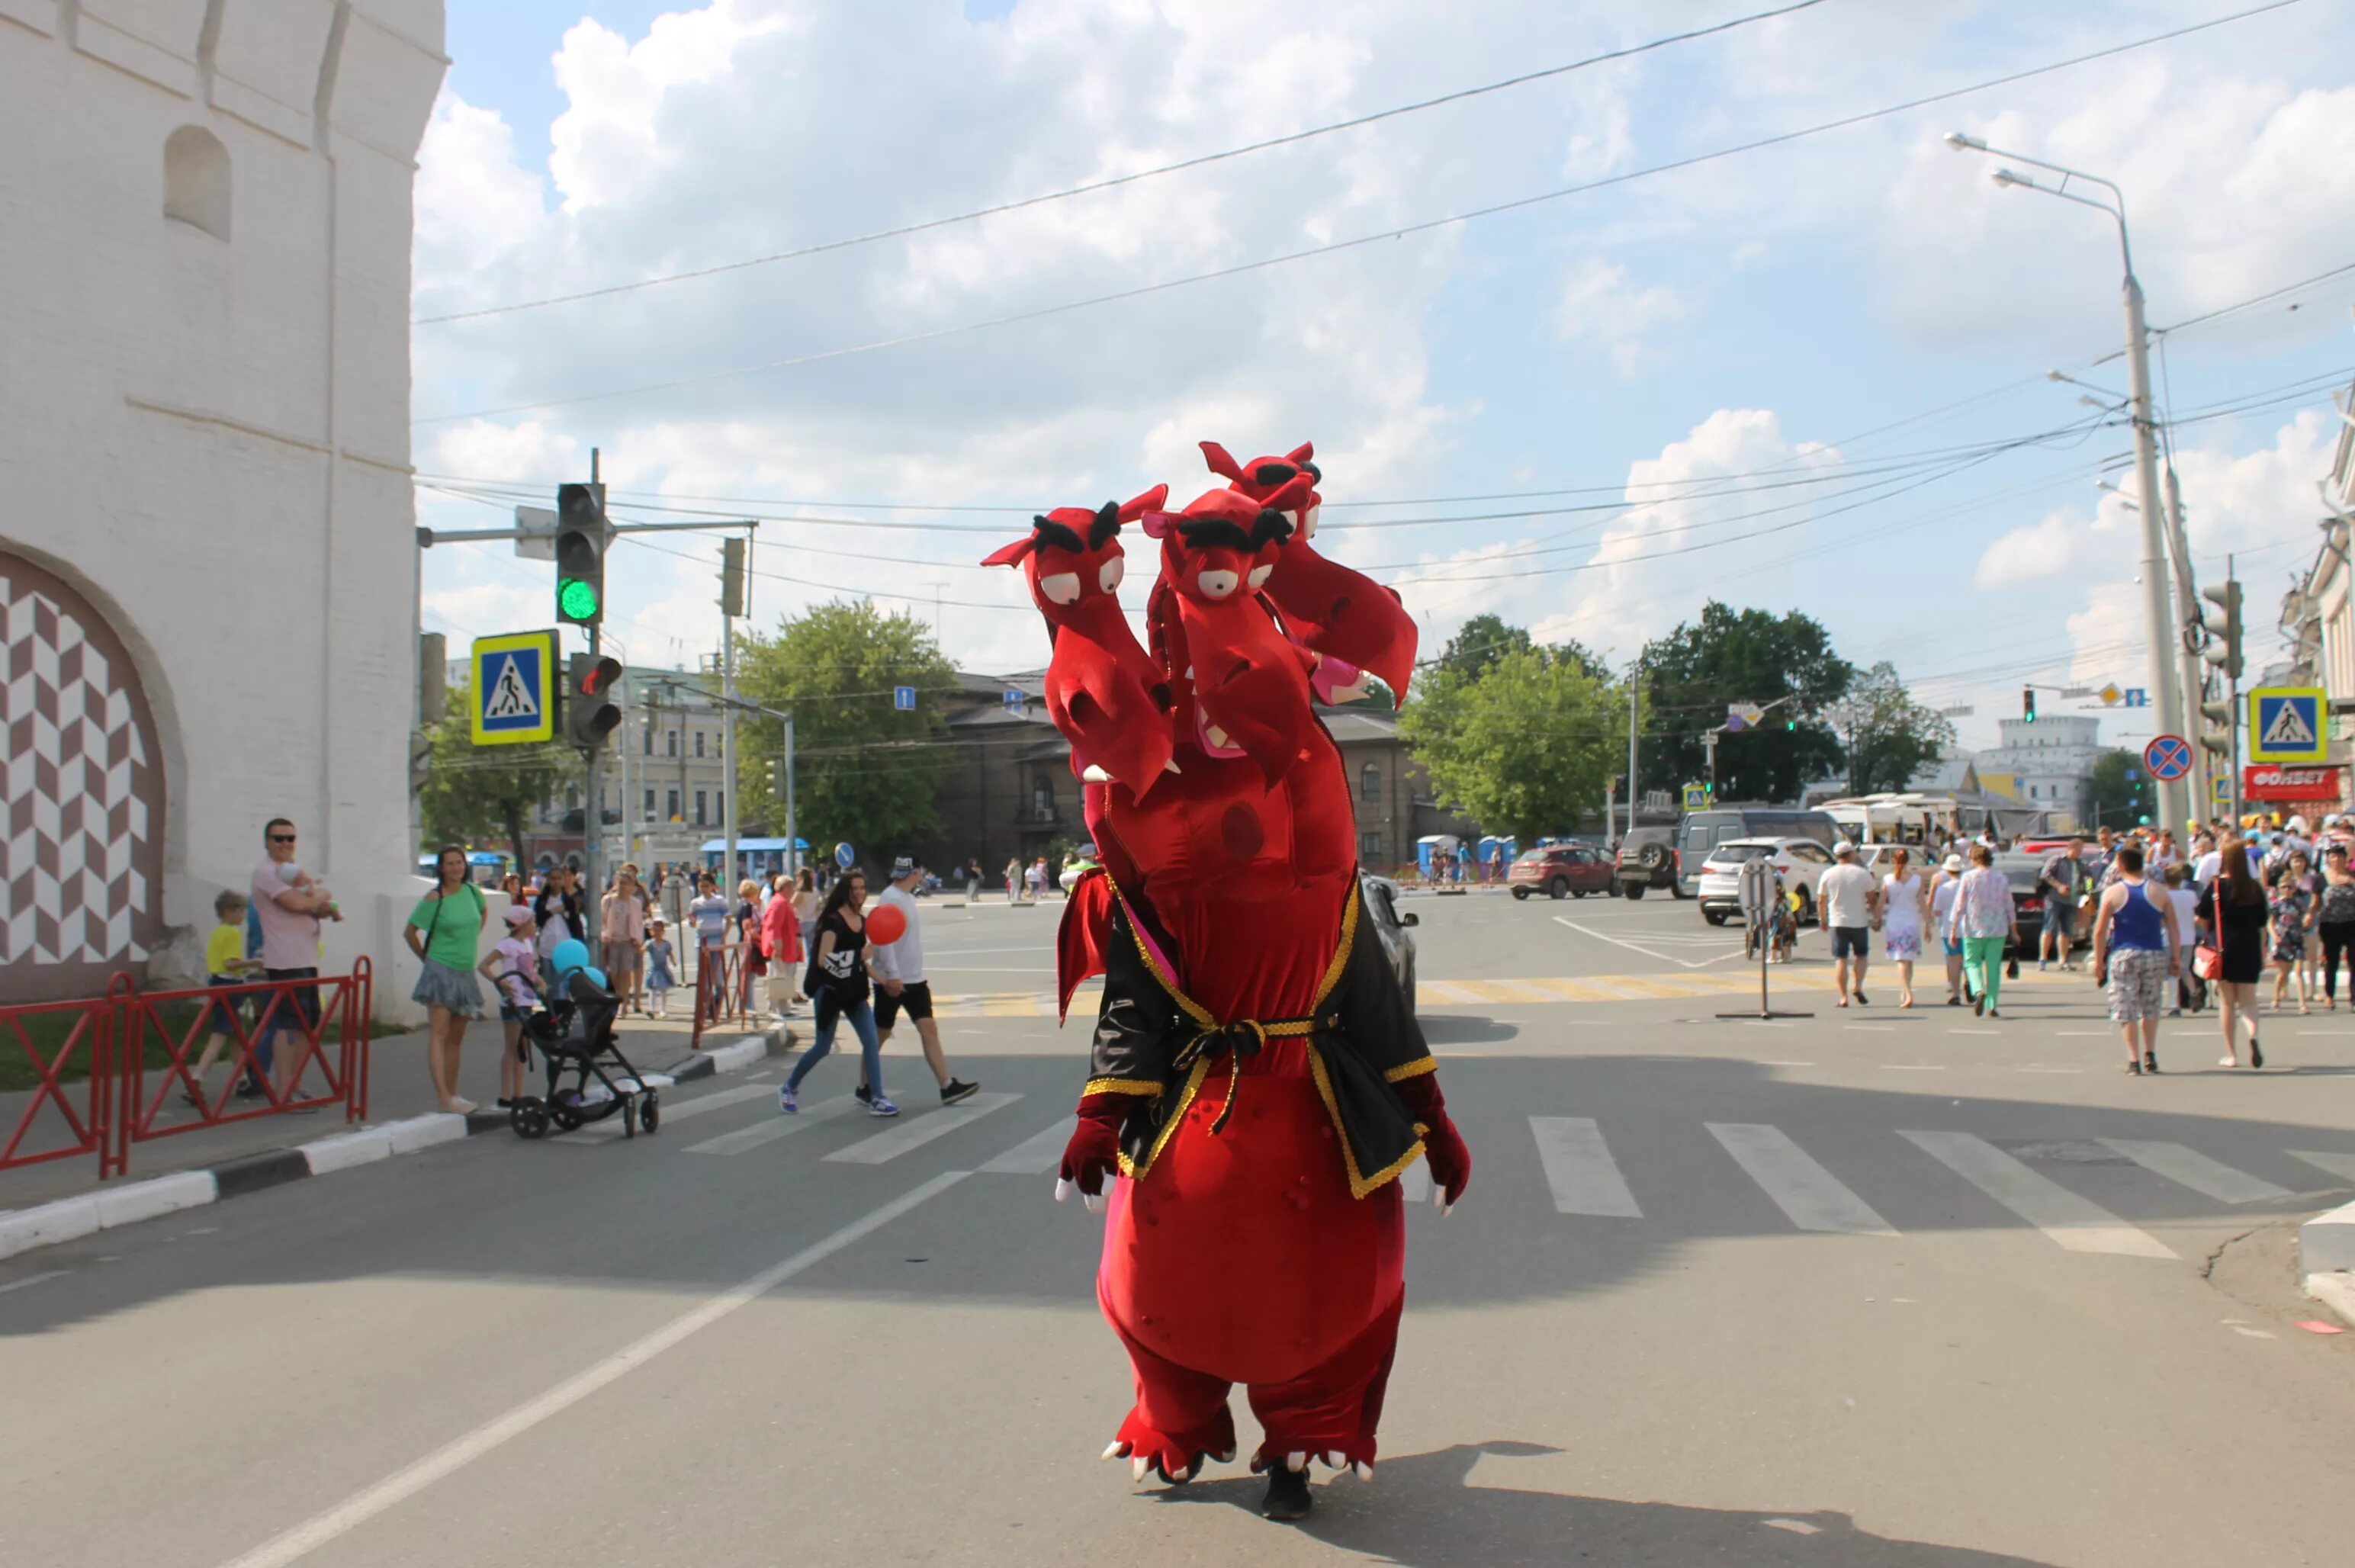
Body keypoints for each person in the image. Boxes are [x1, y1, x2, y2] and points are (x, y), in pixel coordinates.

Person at [863, 856, 980, 1106]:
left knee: (928, 1028)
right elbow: (884, 942)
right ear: (916, 872)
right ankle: (864, 1086)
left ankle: (947, 1086)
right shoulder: (891, 898)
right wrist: (892, 977)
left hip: (914, 978)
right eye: (921, 871)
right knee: (880, 1035)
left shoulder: (906, 897)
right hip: (894, 981)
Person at [779, 869, 895, 1117]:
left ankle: (878, 1098)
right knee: (822, 1047)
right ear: (845, 891)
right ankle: (789, 1087)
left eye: (863, 888)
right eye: (854, 888)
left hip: (854, 991)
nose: (860, 893)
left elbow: (860, 964)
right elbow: (823, 960)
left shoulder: (861, 921)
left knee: (871, 1042)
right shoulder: (833, 921)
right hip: (829, 992)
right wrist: (859, 955)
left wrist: (885, 981)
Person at [251, 818, 341, 1101]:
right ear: (267, 842)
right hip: (284, 959)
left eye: (290, 838)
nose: (286, 844)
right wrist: (321, 894)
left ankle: (295, 1084)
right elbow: (299, 904)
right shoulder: (267, 873)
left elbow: (318, 908)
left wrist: (321, 902)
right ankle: (283, 1090)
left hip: (306, 956)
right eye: (279, 839)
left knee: (308, 1024)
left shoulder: (292, 873)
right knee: (287, 1025)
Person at [406, 845, 489, 1113]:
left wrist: (467, 940)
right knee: (439, 1035)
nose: (456, 868)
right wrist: (428, 961)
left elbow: (482, 915)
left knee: (457, 1038)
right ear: (441, 868)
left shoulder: (473, 893)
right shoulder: (434, 898)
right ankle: (443, 1096)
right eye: (450, 863)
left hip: (465, 972)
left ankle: (453, 1095)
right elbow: (410, 932)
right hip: (440, 970)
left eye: (459, 862)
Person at [2090, 843, 2180, 1076]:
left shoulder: (2114, 892)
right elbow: (2172, 926)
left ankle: (2133, 1059)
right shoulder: (2160, 891)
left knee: (2125, 1007)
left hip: (2124, 954)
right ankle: (2150, 1053)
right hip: (2153, 952)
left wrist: (2099, 961)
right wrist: (2176, 957)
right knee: (2150, 1005)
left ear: (2120, 866)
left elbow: (2100, 930)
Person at [183, 889, 259, 1108]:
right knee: (220, 1035)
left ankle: (243, 1080)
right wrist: (256, 963)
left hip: (217, 983)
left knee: (237, 1035)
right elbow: (231, 964)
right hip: (229, 986)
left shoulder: (218, 932)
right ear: (228, 911)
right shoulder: (233, 933)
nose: (244, 915)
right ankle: (197, 1079)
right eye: (241, 911)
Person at [2209, 835, 2270, 1068]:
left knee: (2227, 1002)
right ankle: (2253, 1035)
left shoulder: (2216, 887)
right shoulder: (2254, 888)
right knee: (2248, 1000)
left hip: (2223, 949)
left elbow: (2202, 917)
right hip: (2250, 947)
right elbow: (2262, 922)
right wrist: (2263, 950)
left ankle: (2232, 1054)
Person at [478, 902, 541, 1108]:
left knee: (523, 1048)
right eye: (532, 922)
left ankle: (519, 1093)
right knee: (512, 1047)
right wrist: (499, 981)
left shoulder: (528, 945)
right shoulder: (507, 945)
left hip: (527, 1000)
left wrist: (539, 981)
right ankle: (506, 1094)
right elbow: (484, 965)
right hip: (512, 1001)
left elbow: (529, 970)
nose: (534, 926)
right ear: (522, 925)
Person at [1948, 842, 2018, 1019]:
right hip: (1997, 928)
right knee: (1993, 967)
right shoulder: (2001, 877)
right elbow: (2009, 905)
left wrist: (1953, 928)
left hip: (1973, 927)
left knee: (1972, 963)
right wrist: (2014, 929)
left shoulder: (1969, 877)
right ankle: (1992, 1005)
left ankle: (1979, 990)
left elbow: (1959, 905)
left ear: (1975, 859)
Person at [1816, 841, 1881, 1007]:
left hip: (1837, 922)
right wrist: (1876, 918)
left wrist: (1823, 920)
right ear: (1851, 854)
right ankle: (1858, 986)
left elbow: (1821, 900)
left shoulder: (1828, 874)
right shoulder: (1862, 873)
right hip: (1859, 921)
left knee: (1841, 959)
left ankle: (1843, 996)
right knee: (1861, 956)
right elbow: (1872, 899)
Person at [2268, 849, 2317, 1015]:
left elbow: (2305, 917)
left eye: (2290, 887)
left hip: (2296, 938)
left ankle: (2303, 1004)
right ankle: (2276, 999)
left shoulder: (2299, 903)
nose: (2287, 890)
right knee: (2283, 973)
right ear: (2279, 888)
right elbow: (2271, 922)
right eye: (2284, 887)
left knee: (2298, 972)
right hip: (2282, 939)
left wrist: (2307, 921)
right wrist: (2274, 936)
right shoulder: (2276, 904)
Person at [1880, 847, 1926, 1007]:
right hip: (1912, 922)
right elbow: (1922, 903)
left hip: (1895, 923)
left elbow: (1881, 901)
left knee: (1901, 959)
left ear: (1894, 860)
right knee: (1909, 959)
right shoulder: (1916, 880)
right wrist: (1927, 923)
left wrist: (1877, 919)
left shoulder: (1888, 879)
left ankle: (1907, 993)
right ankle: (1906, 990)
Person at [600, 865, 648, 1015]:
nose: (623, 886)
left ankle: (624, 1003)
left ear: (632, 886)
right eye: (620, 883)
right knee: (613, 972)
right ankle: (619, 995)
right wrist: (604, 936)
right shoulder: (608, 901)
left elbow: (638, 923)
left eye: (626, 883)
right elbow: (602, 920)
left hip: (629, 941)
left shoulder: (634, 903)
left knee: (626, 972)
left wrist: (638, 940)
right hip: (612, 940)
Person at [2036, 839, 2090, 971]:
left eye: (2081, 850)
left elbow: (2087, 880)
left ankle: (2063, 960)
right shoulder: (2058, 860)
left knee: (2066, 931)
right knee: (2049, 928)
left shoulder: (2081, 865)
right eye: (2077, 849)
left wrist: (2086, 894)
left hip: (2071, 901)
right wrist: (2059, 886)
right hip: (2054, 899)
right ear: (2070, 848)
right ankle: (2043, 959)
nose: (2079, 852)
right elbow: (2045, 875)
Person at [533, 866, 586, 996]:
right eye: (553, 878)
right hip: (547, 945)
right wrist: (553, 911)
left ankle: (563, 1005)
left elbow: (575, 922)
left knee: (563, 979)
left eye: (559, 878)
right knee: (549, 979)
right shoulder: (543, 899)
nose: (556, 882)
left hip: (565, 945)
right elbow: (538, 919)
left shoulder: (569, 900)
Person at [2316, 844, 2355, 1012]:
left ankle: (2353, 998)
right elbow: (2316, 902)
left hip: (2352, 923)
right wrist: (2310, 916)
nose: (2337, 860)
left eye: (2340, 856)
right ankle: (2329, 995)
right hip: (2330, 925)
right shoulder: (2322, 878)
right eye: (2333, 856)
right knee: (2332, 962)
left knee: (2354, 962)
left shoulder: (2352, 876)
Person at [761, 872, 804, 1024]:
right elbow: (773, 925)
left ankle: (782, 1008)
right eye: (791, 886)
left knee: (784, 977)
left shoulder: (782, 901)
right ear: (784, 887)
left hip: (787, 946)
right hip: (782, 948)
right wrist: (776, 943)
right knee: (780, 977)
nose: (793, 889)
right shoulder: (779, 902)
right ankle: (778, 1009)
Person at [1930, 853, 1968, 1005]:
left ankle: (1955, 993)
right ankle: (1970, 982)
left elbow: (1937, 910)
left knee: (1953, 961)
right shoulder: (1967, 886)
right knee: (1969, 960)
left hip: (1948, 927)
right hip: (1968, 927)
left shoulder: (1944, 889)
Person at [644, 919, 678, 1019]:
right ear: (651, 932)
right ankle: (652, 1010)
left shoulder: (666, 944)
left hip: (663, 969)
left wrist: (673, 961)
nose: (657, 933)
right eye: (655, 930)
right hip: (653, 970)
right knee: (653, 990)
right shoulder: (649, 943)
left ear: (663, 932)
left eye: (659, 931)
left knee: (663, 990)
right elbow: (642, 950)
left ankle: (663, 1010)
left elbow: (670, 953)